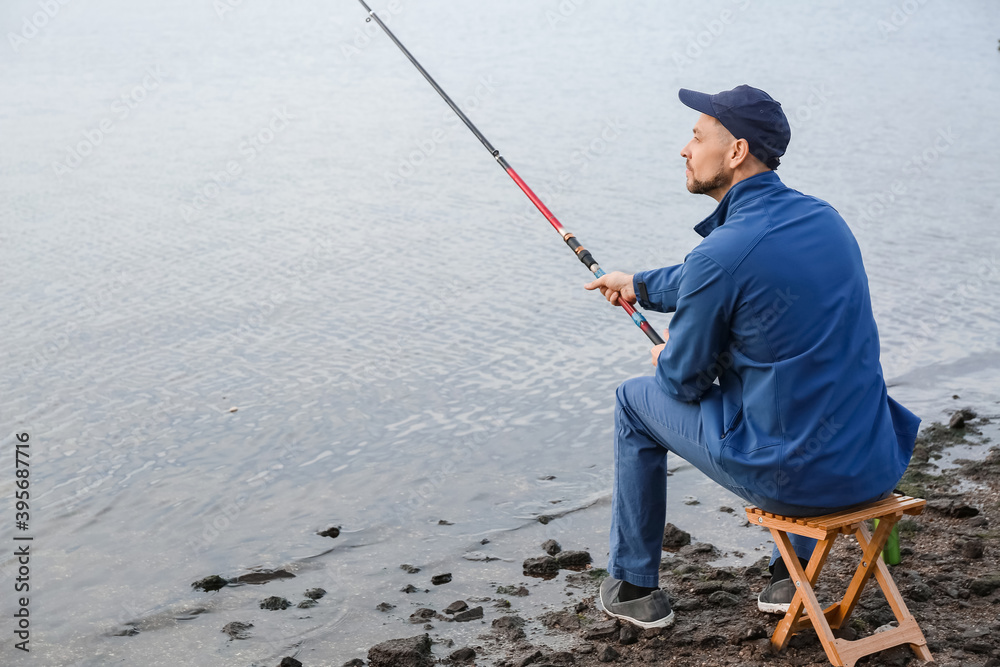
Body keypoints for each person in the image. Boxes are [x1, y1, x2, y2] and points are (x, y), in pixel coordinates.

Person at [584, 85, 920, 629]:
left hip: (799, 485)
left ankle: (632, 584)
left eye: (696, 136)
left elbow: (683, 383)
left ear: (736, 151)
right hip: (873, 463)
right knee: (797, 384)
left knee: (633, 402)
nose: (684, 149)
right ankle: (788, 578)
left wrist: (666, 358)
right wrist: (639, 284)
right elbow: (726, 275)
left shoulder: (722, 254)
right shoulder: (824, 221)